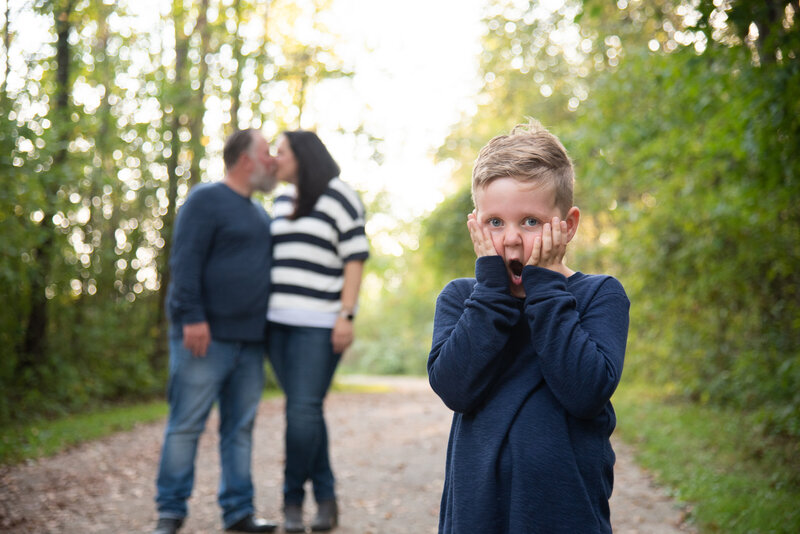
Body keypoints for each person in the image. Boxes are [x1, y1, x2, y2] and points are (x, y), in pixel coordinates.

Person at [427, 120, 630, 533]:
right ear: (476, 225)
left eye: (531, 222)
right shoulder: (462, 298)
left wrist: (548, 289)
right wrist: (490, 293)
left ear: (567, 225)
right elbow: (454, 388)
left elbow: (585, 392)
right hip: (476, 515)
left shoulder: (599, 295)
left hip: (565, 514)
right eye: (495, 223)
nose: (512, 240)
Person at [153, 129, 279, 534]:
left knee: (239, 429)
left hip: (250, 341)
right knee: (187, 424)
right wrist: (191, 317)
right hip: (204, 337)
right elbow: (185, 260)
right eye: (265, 153)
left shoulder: (261, 213)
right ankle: (170, 512)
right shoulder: (205, 199)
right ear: (245, 159)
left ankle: (239, 513)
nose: (271, 160)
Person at [267, 130, 368, 532]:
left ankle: (293, 501)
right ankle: (326, 498)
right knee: (305, 411)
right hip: (275, 326)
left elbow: (355, 259)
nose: (275, 160)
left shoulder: (339, 194)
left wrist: (347, 316)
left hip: (320, 325)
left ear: (303, 156)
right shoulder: (278, 200)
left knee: (302, 411)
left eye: (282, 152)